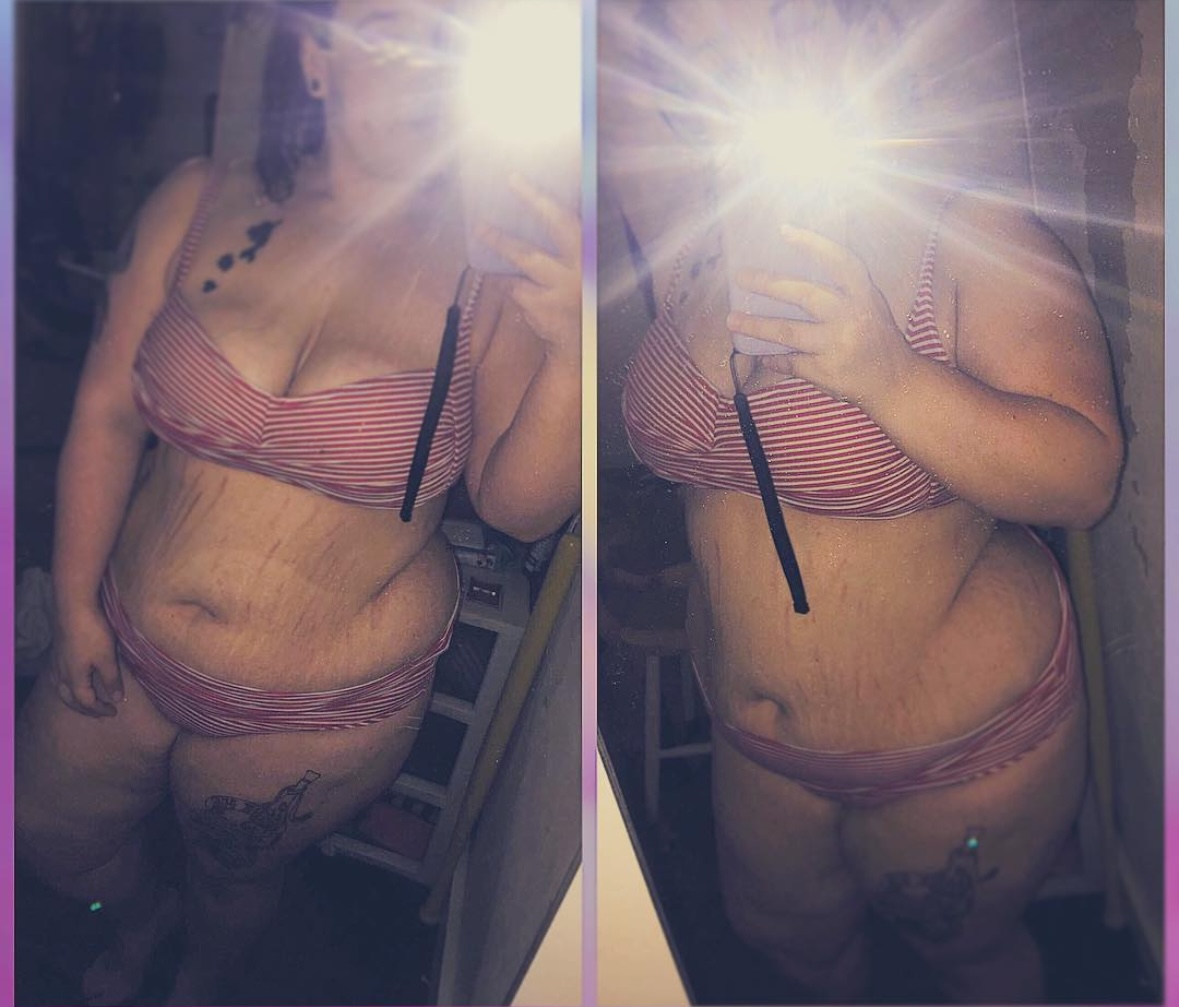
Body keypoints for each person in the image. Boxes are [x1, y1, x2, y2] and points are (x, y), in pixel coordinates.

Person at [15, 2, 581, 1003]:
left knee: (235, 879)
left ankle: (198, 974)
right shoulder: (199, 200)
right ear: (316, 59)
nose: (422, 64)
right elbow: (104, 410)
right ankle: (141, 918)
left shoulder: (495, 268)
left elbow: (519, 507)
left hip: (320, 706)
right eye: (389, 29)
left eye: (446, 41)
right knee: (45, 828)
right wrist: (70, 604)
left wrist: (574, 348)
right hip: (127, 630)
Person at [610, 0, 1122, 1001]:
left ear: (863, 33)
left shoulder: (963, 231)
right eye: (710, 67)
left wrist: (889, 375)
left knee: (967, 959)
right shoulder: (689, 221)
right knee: (791, 949)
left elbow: (1083, 475)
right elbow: (663, 438)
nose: (745, 91)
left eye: (783, 37)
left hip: (960, 753)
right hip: (756, 745)